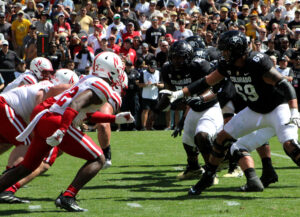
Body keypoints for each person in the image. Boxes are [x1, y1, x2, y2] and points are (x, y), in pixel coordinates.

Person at [161, 30, 300, 195]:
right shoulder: (227, 64)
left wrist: (294, 111)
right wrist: (180, 93)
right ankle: (209, 177)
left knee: (289, 145)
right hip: (254, 110)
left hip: (278, 108)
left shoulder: (257, 61)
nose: (223, 53)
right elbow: (205, 81)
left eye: (226, 50)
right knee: (223, 138)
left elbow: (284, 85)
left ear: (238, 50)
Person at [0, 52, 134, 212]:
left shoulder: (88, 80)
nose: (120, 73)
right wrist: (62, 130)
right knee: (98, 158)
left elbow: (83, 113)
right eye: (118, 69)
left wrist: (114, 119)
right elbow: (76, 104)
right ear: (109, 69)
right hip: (56, 121)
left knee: (27, 167)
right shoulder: (102, 86)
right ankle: (68, 196)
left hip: (46, 118)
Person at [0, 69, 79, 204]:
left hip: (7, 107)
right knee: (27, 143)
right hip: (5, 106)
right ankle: (5, 186)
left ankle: (6, 186)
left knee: (6, 143)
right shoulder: (48, 87)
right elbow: (39, 113)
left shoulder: (46, 86)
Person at [159, 40, 223, 181]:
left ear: (189, 56)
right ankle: (194, 169)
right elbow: (169, 91)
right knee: (188, 142)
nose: (177, 61)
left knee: (202, 136)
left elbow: (215, 89)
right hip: (193, 107)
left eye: (181, 57)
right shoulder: (167, 69)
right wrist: (159, 107)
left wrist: (201, 98)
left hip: (210, 107)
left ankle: (210, 172)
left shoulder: (200, 66)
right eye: (174, 57)